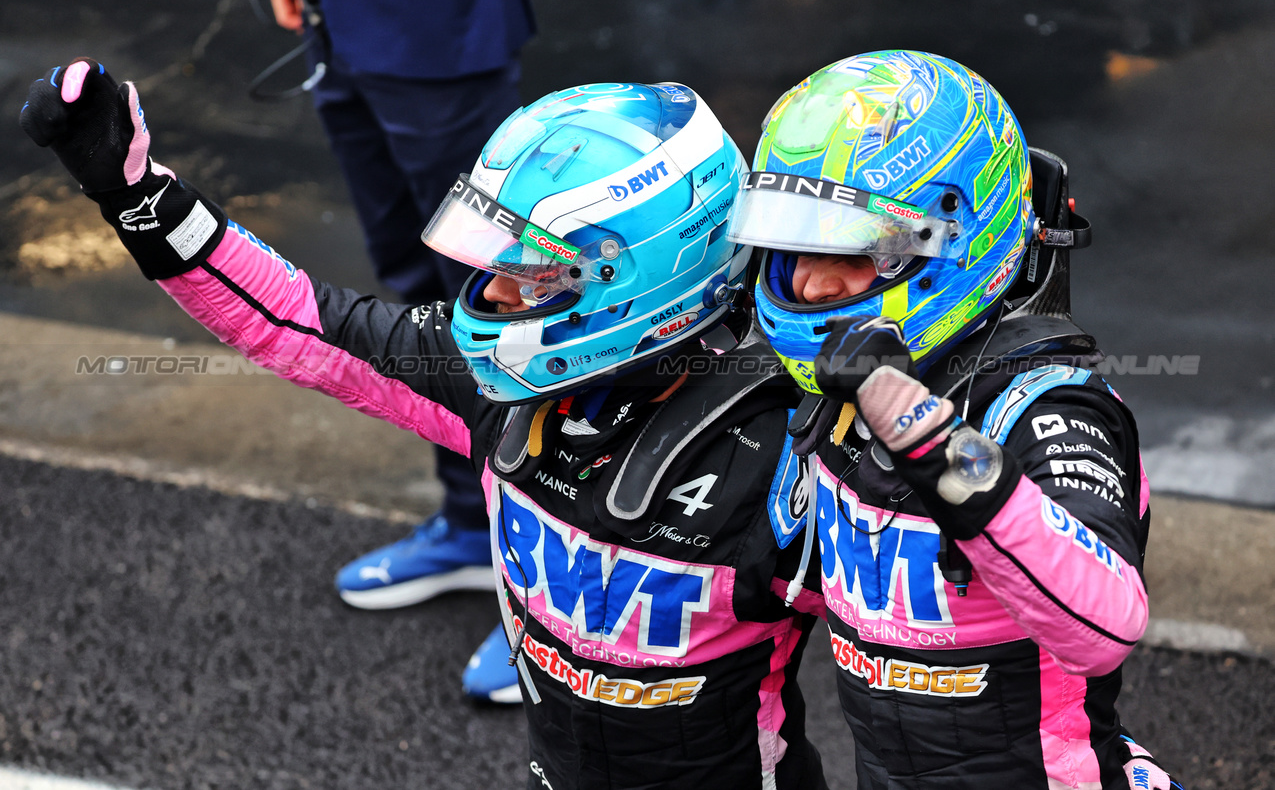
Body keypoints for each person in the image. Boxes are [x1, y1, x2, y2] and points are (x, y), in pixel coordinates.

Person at [21, 64, 830, 789]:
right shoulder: (499, 386)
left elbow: (936, 688)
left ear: (640, 279)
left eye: (527, 278)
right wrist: (140, 201)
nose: (492, 296)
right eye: (494, 266)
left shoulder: (797, 449)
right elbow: (295, 321)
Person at [726, 49, 1183, 789]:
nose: (808, 283)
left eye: (850, 252)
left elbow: (1109, 624)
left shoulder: (1049, 404)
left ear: (948, 241)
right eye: (793, 249)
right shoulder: (829, 391)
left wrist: (930, 443)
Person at [253, 0, 537, 700]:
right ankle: (472, 521)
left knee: (499, 301)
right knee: (414, 286)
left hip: (431, 3)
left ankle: (552, 591)